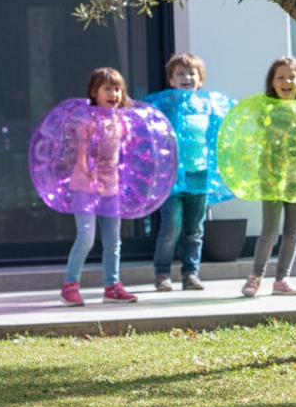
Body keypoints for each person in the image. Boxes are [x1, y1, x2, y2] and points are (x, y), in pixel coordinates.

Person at [146, 53, 232, 292]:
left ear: (200, 79)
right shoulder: (165, 105)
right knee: (171, 228)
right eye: (180, 74)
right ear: (171, 80)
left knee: (195, 230)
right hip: (171, 178)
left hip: (199, 175)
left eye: (191, 73)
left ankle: (191, 274)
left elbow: (217, 135)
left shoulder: (208, 106)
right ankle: (162, 273)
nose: (186, 78)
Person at [242, 57, 296, 297]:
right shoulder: (267, 110)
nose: (287, 81)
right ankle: (256, 277)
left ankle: (282, 280)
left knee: (293, 232)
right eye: (281, 77)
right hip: (272, 177)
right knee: (270, 231)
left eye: (292, 77)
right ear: (272, 83)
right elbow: (257, 139)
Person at [60, 68, 138, 305]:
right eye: (107, 89)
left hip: (111, 186)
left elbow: (124, 154)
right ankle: (70, 285)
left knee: (113, 240)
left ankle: (112, 287)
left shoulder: (120, 121)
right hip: (84, 184)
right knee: (86, 236)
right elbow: (81, 152)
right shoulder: (87, 119)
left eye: (117, 89)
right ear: (94, 92)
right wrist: (87, 173)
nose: (113, 94)